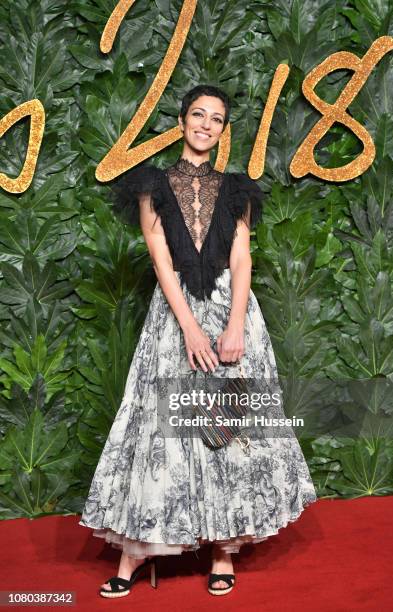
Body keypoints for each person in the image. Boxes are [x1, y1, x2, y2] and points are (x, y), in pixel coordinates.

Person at [78, 84, 317, 598]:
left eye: (216, 119)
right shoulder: (152, 186)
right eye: (197, 115)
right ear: (182, 120)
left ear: (223, 130)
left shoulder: (237, 189)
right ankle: (135, 552)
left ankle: (223, 552)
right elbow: (161, 259)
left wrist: (234, 326)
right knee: (155, 428)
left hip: (233, 313)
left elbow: (241, 258)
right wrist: (188, 326)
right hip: (174, 316)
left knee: (227, 427)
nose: (206, 124)